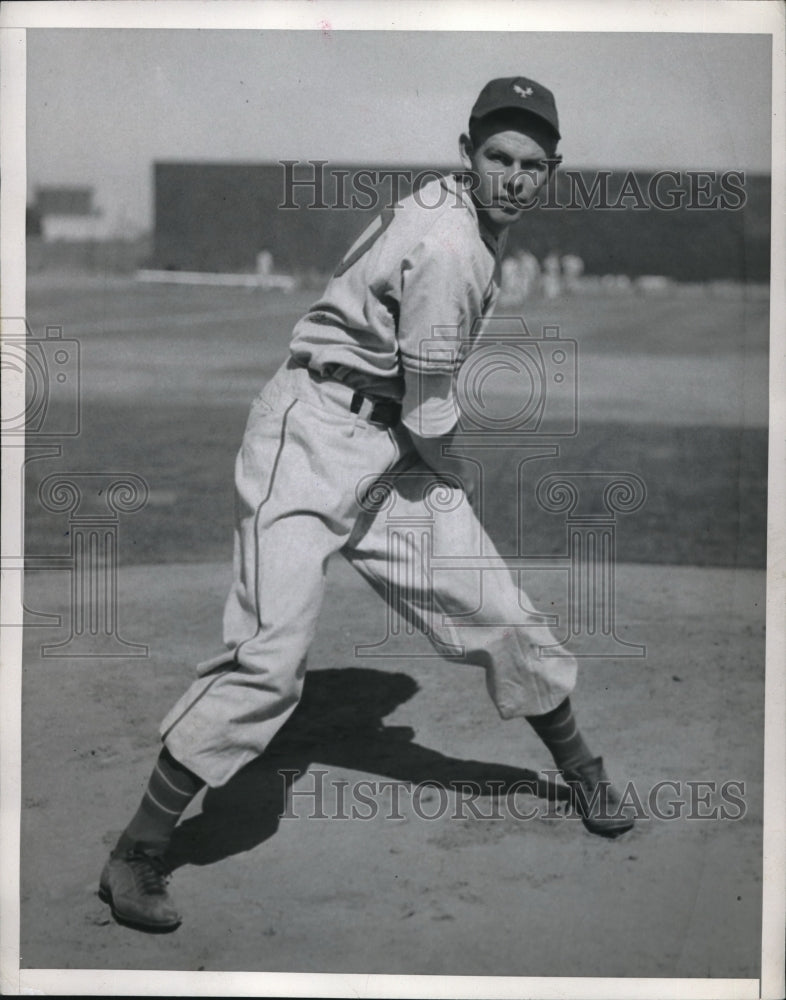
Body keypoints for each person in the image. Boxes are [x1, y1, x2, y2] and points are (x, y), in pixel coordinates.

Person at [99, 76, 635, 933]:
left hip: (383, 440)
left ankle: (582, 768)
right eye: (497, 157)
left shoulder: (451, 210)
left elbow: (414, 406)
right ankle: (135, 851)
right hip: (310, 439)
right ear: (468, 156)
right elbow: (429, 411)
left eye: (532, 163)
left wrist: (431, 471)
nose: (514, 176)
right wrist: (450, 471)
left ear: (552, 170)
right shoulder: (454, 244)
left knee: (498, 608)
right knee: (269, 660)